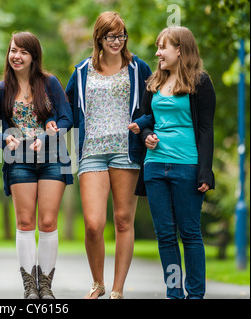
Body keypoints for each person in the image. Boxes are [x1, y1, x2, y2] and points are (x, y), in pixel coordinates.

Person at [0, 31, 73, 299]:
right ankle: (30, 286)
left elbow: (66, 118)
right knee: (26, 221)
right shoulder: (1, 89)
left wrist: (50, 132)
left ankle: (46, 286)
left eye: (23, 52)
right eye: (13, 50)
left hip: (53, 158)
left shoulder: (50, 83)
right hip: (19, 162)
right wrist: (4, 138)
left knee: (49, 222)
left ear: (33, 57)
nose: (16, 56)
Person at [65, 11, 152, 299]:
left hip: (126, 151)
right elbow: (64, 109)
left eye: (121, 35)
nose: (117, 41)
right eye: (111, 36)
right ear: (99, 38)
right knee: (93, 224)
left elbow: (156, 107)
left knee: (124, 220)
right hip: (91, 152)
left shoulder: (139, 69)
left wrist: (143, 127)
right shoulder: (81, 72)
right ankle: (98, 283)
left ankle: (117, 289)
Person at [129, 26, 215, 299]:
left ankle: (196, 294)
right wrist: (146, 135)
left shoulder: (200, 82)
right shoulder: (154, 82)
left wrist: (205, 171)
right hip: (155, 166)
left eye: (163, 47)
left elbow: (205, 130)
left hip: (187, 166)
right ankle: (174, 293)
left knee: (189, 233)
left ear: (180, 49)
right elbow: (145, 119)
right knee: (165, 235)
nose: (157, 53)